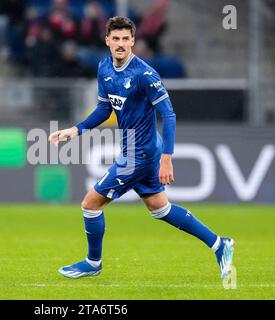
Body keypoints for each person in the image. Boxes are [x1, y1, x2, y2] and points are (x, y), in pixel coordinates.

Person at [48, 16, 235, 280]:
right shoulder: (104, 68)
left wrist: (167, 159)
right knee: (160, 208)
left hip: (142, 153)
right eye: (116, 39)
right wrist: (75, 130)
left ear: (133, 41)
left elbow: (168, 115)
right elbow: (104, 108)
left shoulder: (145, 74)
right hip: (135, 150)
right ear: (107, 41)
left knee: (90, 204)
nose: (121, 44)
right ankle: (219, 244)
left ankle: (93, 262)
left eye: (126, 39)